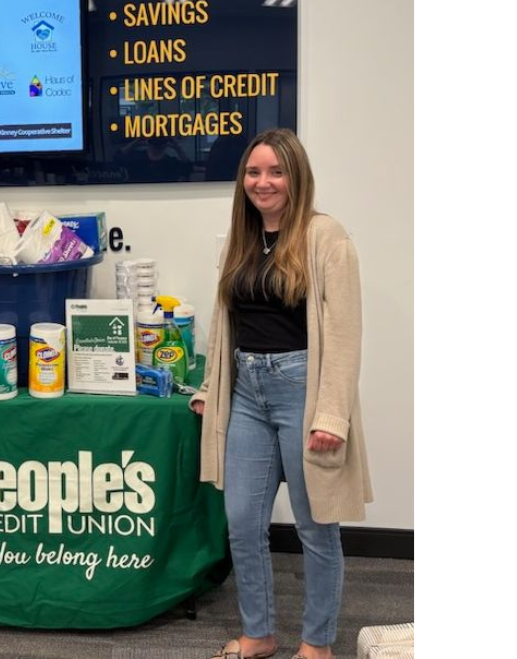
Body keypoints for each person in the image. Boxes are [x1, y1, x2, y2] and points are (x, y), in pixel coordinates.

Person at [191, 129, 372, 659]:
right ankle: (260, 634)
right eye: (253, 172)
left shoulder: (326, 236)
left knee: (317, 525)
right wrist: (210, 387)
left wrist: (332, 416)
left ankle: (317, 644)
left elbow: (343, 333)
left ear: (297, 177)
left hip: (303, 391)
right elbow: (227, 324)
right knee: (243, 523)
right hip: (246, 392)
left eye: (275, 172)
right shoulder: (241, 238)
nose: (262, 182)